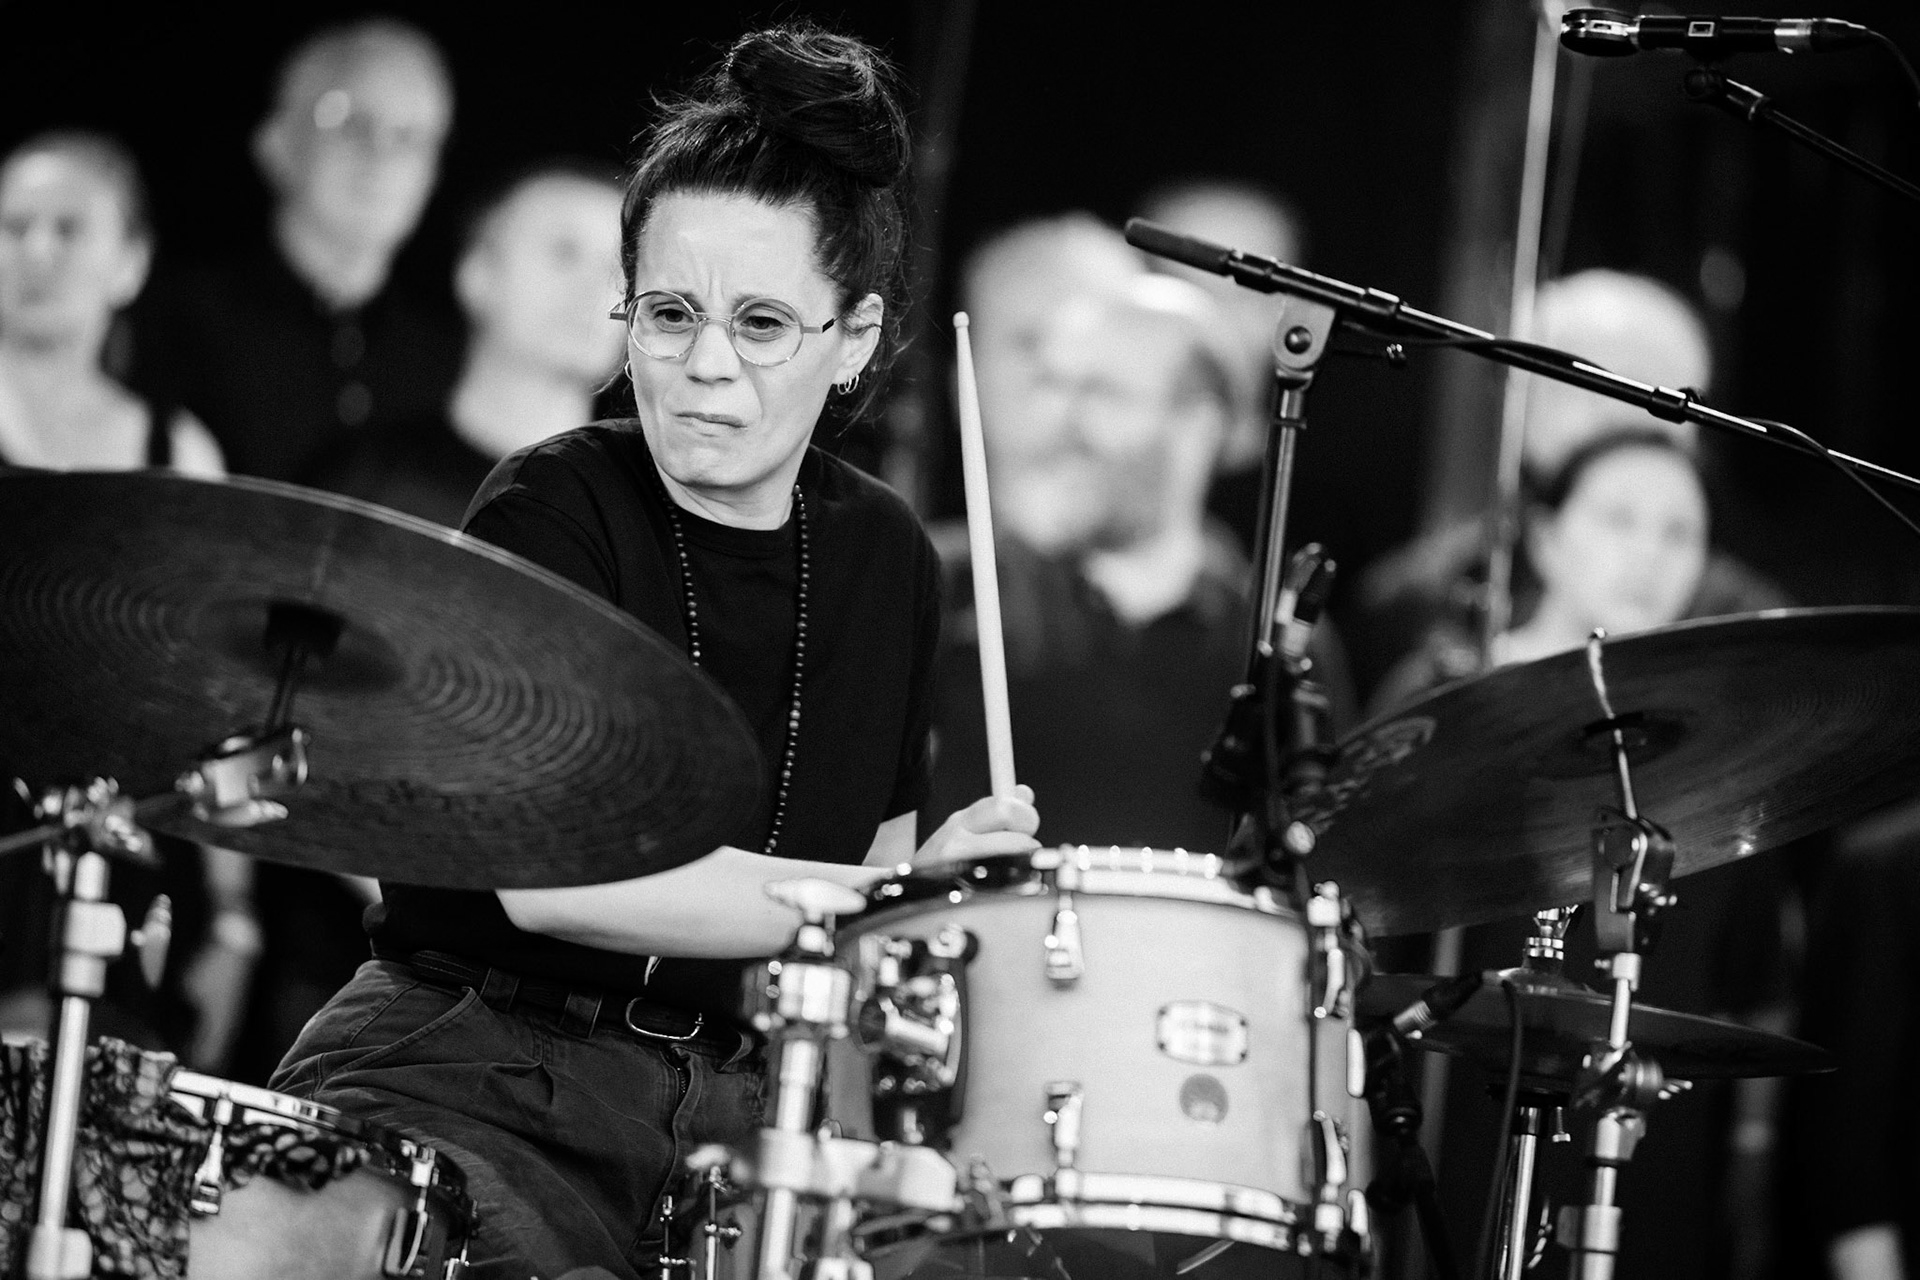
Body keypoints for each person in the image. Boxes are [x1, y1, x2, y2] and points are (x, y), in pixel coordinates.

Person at [269, 24, 1039, 1280]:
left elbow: (865, 913)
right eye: (669, 313)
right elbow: (553, 880)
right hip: (477, 1066)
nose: (705, 367)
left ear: (853, 338)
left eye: (764, 322)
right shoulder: (552, 504)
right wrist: (879, 896)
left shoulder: (889, 556)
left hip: (733, 1114)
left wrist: (938, 903)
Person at [928, 268, 1356, 853]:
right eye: (1055, 387)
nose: (1061, 424)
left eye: (1101, 393)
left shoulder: (1277, 642)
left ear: (1196, 427)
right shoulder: (948, 584)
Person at [0, 129, 259, 1073]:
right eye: (13, 225)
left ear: (131, 261)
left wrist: (233, 921)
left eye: (68, 227)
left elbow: (218, 692)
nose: (35, 251)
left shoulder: (173, 446)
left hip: (125, 864)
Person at [1352, 267, 1783, 704]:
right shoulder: (1423, 594)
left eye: (1650, 386)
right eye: (1581, 383)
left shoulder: (1754, 622)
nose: (1617, 412)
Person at [129, 14, 461, 485]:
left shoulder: (449, 362)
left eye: (410, 137)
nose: (379, 156)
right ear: (276, 143)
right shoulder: (173, 323)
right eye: (352, 123)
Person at [309, 157, 628, 527]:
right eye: (564, 253)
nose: (599, 287)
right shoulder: (366, 487)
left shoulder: (641, 524)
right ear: (479, 274)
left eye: (620, 266)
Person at [954, 211, 1148, 554]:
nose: (1064, 370)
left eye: (1097, 342)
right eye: (1029, 342)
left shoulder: (1226, 595)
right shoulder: (911, 583)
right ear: (960, 386)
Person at [1132, 177, 1308, 554]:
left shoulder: (1330, 505)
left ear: (1285, 310)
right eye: (1182, 289)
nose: (1207, 319)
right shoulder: (1096, 485)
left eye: (1241, 293)